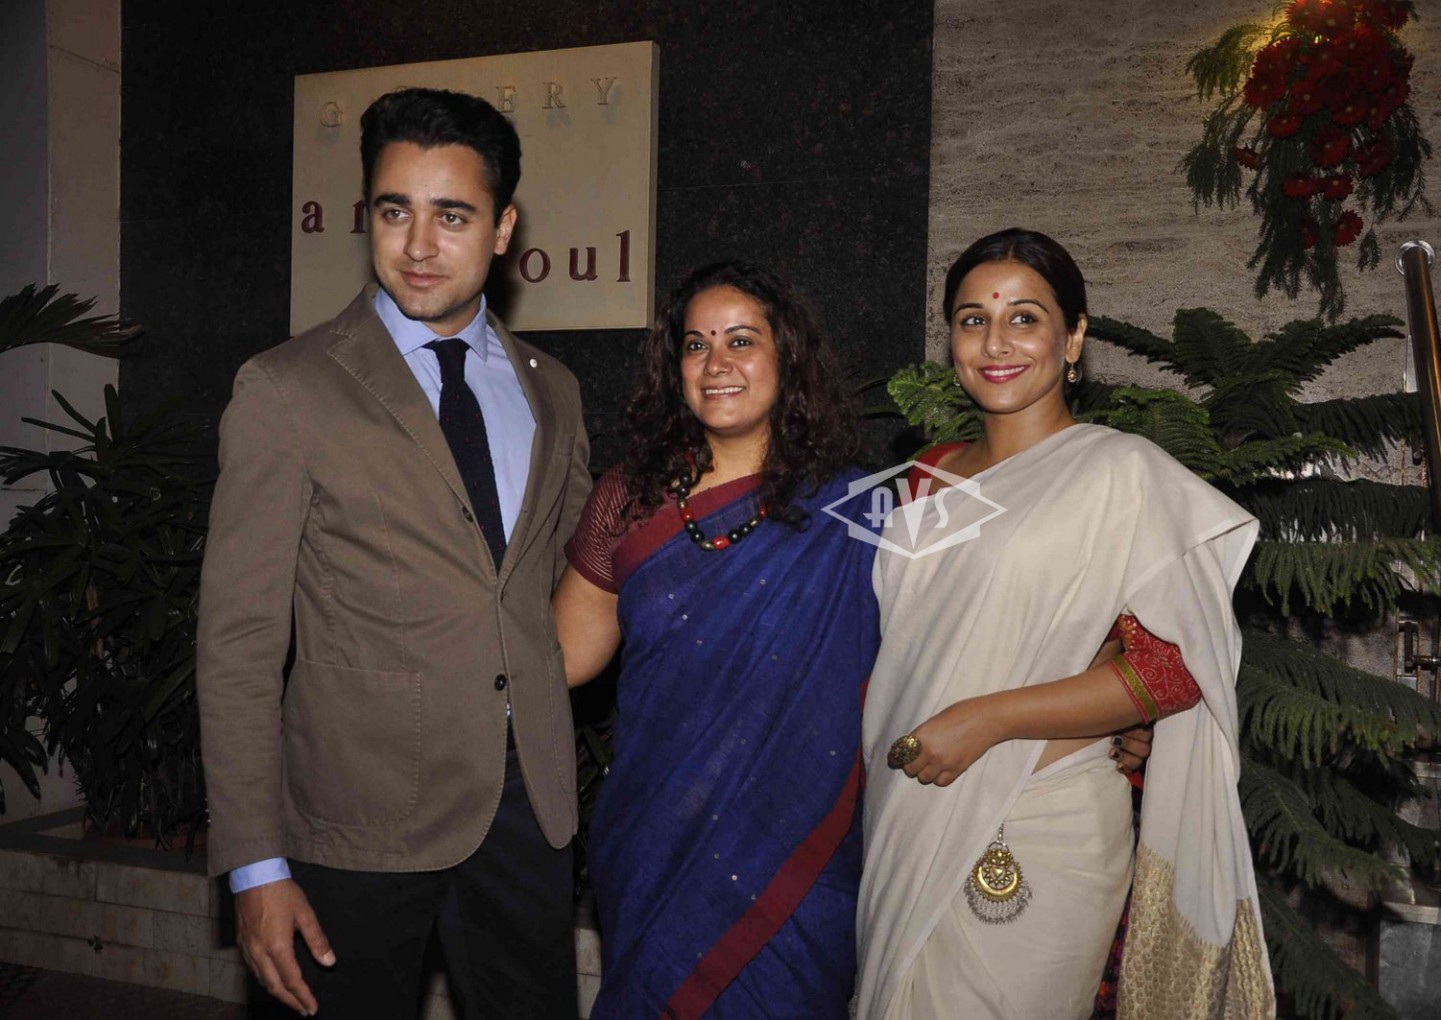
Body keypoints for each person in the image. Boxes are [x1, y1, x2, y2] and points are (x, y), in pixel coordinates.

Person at [554, 260, 1151, 1018]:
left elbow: (1004, 607)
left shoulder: (866, 509)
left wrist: (1109, 698)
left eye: (742, 340)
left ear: (787, 359)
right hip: (654, 835)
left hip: (801, 854)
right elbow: (564, 659)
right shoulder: (629, 498)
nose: (717, 363)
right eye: (696, 345)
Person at [197, 87, 590, 1018]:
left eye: (451, 215)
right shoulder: (287, 388)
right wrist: (255, 867)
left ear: (502, 229)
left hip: (527, 812)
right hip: (353, 823)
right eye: (393, 211)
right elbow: (239, 643)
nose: (418, 245)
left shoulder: (555, 392)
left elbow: (564, 586)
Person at [856, 228, 1273, 1019]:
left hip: (1039, 817)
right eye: (973, 320)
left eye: (1025, 318)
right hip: (907, 807)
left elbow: (1173, 669)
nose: (996, 342)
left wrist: (989, 719)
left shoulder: (1120, 473)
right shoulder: (926, 477)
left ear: (1073, 337)